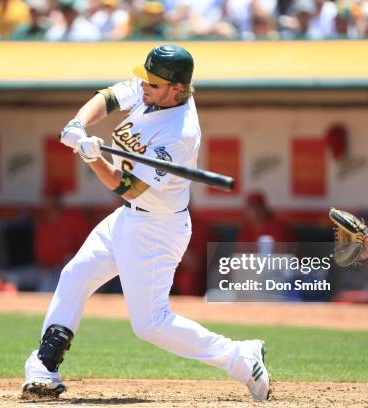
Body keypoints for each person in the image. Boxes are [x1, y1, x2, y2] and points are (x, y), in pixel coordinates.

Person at [20, 44, 270, 402]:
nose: (144, 86)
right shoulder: (152, 88)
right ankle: (45, 366)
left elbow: (129, 188)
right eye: (146, 79)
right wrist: (78, 124)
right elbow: (106, 98)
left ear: (178, 89)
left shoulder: (179, 133)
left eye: (154, 83)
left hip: (156, 229)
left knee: (150, 324)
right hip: (129, 219)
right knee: (76, 274)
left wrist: (92, 158)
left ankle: (240, 359)